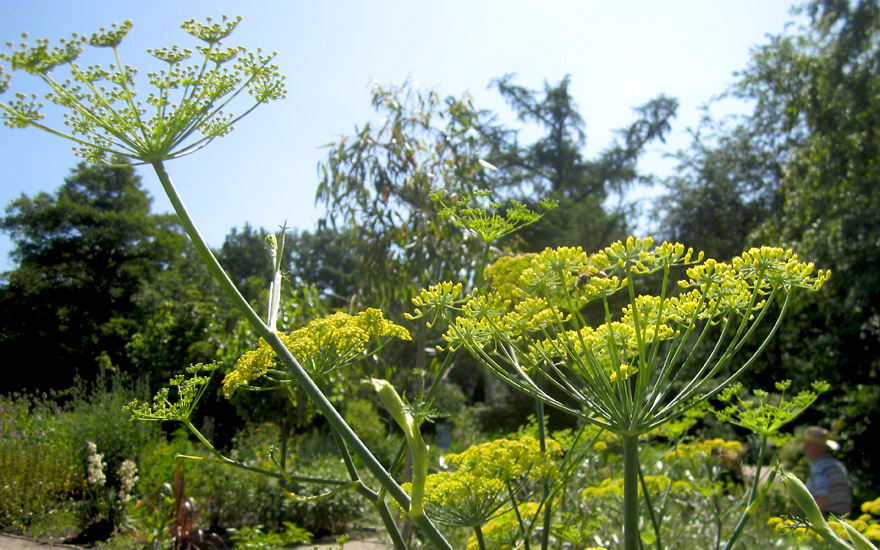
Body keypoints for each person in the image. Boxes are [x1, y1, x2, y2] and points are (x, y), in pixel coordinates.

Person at [801, 426, 852, 517]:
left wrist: (814, 519)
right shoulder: (837, 465)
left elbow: (822, 494)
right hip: (841, 520)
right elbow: (847, 496)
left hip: (826, 518)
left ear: (815, 447)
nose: (804, 449)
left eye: (806, 445)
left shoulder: (820, 467)